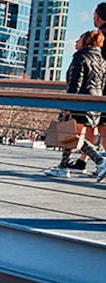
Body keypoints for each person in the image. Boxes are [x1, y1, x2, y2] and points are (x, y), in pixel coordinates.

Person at [48, 31, 106, 182]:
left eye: (79, 40)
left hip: (79, 101)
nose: (76, 43)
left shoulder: (80, 57)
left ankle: (100, 161)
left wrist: (68, 102)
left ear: (86, 42)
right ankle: (63, 166)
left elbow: (75, 81)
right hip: (95, 103)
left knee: (73, 135)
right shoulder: (102, 60)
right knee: (71, 135)